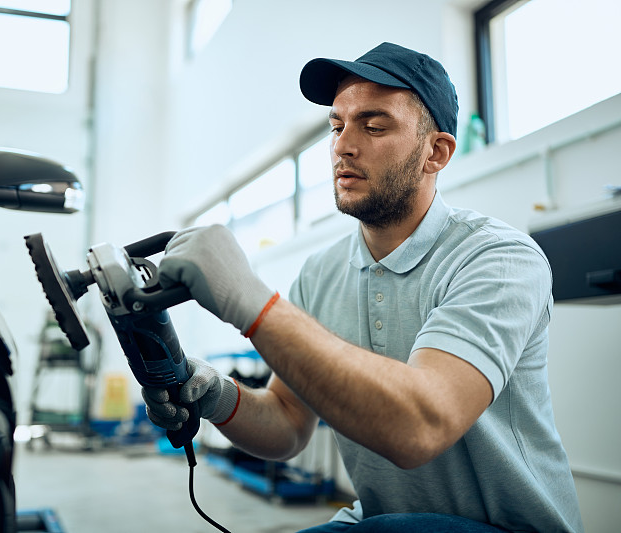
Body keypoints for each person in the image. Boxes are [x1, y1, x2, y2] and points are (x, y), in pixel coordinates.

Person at [143, 42, 584, 532]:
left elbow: (422, 424)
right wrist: (215, 396)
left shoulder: (498, 259)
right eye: (337, 127)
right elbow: (288, 424)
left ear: (435, 152)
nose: (342, 146)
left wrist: (251, 302)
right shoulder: (321, 273)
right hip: (381, 518)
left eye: (374, 126)